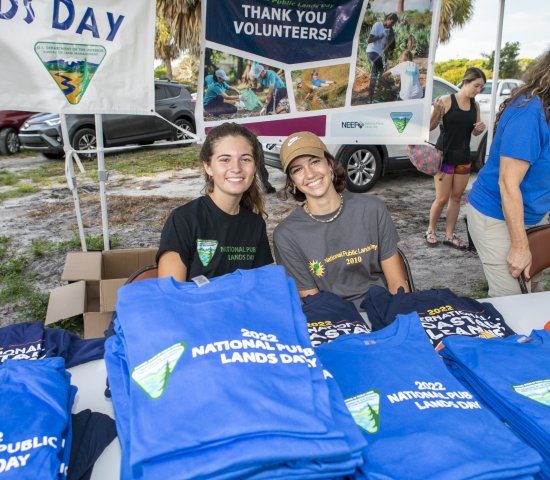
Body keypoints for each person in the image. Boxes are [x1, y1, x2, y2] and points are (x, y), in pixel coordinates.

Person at [273, 131, 409, 311]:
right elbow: (314, 305)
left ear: (329, 164)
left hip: (384, 309)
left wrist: (401, 323)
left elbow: (397, 283)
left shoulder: (373, 209)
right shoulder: (286, 235)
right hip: (334, 321)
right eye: (297, 169)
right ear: (293, 182)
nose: (310, 173)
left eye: (314, 162)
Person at [466, 50, 550, 297]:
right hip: (495, 215)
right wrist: (520, 245)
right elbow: (507, 184)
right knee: (510, 297)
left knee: (531, 289)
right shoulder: (529, 113)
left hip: (533, 214)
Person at [157, 122, 274, 281]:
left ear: (255, 167)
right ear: (208, 167)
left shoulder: (255, 225)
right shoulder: (183, 220)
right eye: (225, 159)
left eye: (245, 159)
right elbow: (170, 293)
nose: (236, 168)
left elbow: (263, 287)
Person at [425, 67, 487, 249]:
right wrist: (436, 111)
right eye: (476, 86)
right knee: (442, 198)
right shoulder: (446, 100)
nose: (478, 90)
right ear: (466, 81)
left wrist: (478, 129)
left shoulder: (475, 106)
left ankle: (449, 235)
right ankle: (431, 230)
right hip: (445, 156)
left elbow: (474, 132)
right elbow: (429, 127)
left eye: (481, 87)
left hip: (464, 157)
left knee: (457, 197)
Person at [366, 12, 398, 102]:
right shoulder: (377, 25)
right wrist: (380, 36)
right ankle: (375, 97)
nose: (392, 25)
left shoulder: (389, 30)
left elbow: (387, 47)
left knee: (375, 75)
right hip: (372, 52)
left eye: (393, 24)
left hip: (378, 55)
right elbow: (369, 40)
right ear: (388, 19)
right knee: (381, 74)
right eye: (391, 23)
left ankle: (371, 98)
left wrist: (386, 59)